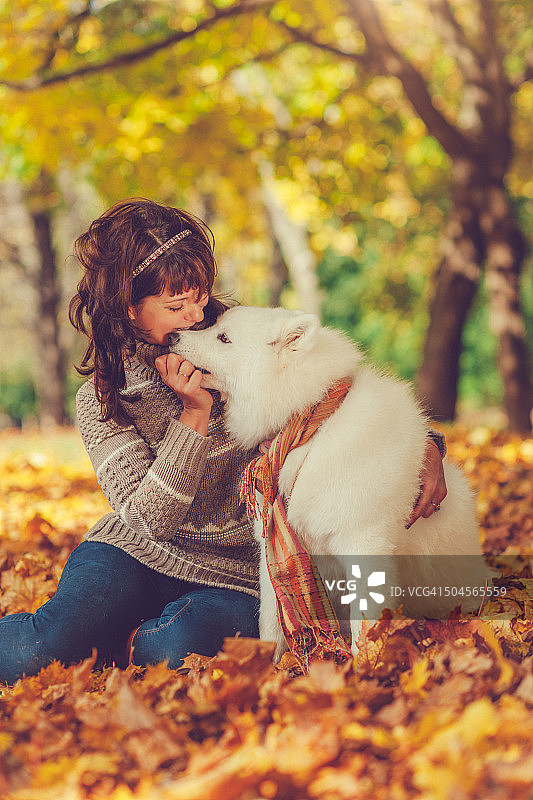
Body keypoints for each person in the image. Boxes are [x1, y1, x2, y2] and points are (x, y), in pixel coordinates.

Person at [0, 198, 447, 684]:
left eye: (199, 295)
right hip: (135, 553)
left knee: (172, 654)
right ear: (128, 309)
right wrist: (193, 416)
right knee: (36, 653)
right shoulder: (103, 399)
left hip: (238, 573)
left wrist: (426, 445)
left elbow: (340, 398)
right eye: (175, 305)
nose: (196, 316)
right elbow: (151, 522)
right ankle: (96, 637)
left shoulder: (235, 342)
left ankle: (118, 644)